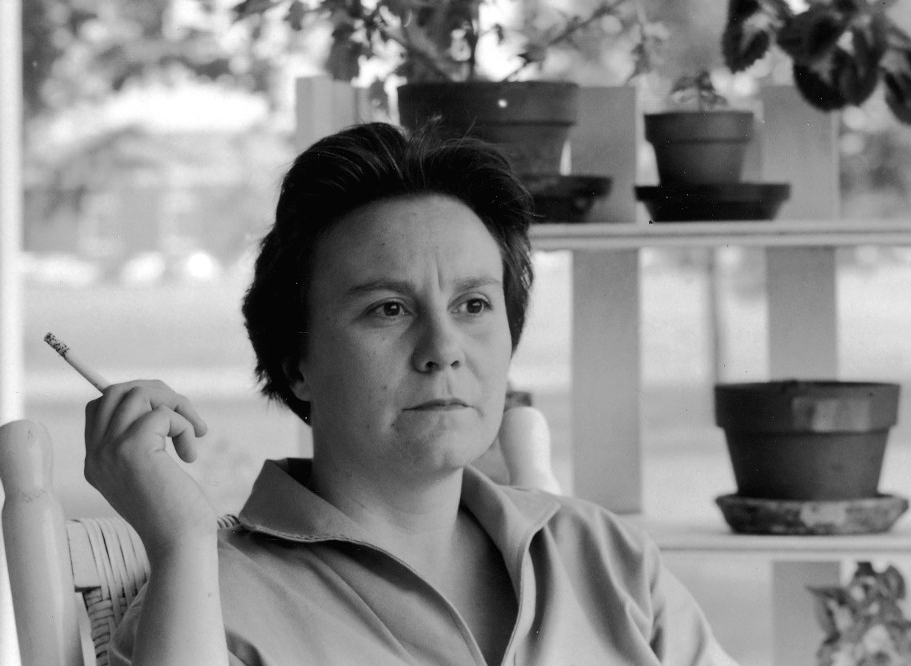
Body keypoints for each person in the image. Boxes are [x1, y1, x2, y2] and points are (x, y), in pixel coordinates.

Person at [86, 122, 737, 665]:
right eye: (389, 309)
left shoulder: (603, 556)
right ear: (297, 364)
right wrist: (182, 543)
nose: (443, 347)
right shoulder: (210, 603)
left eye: (473, 304)